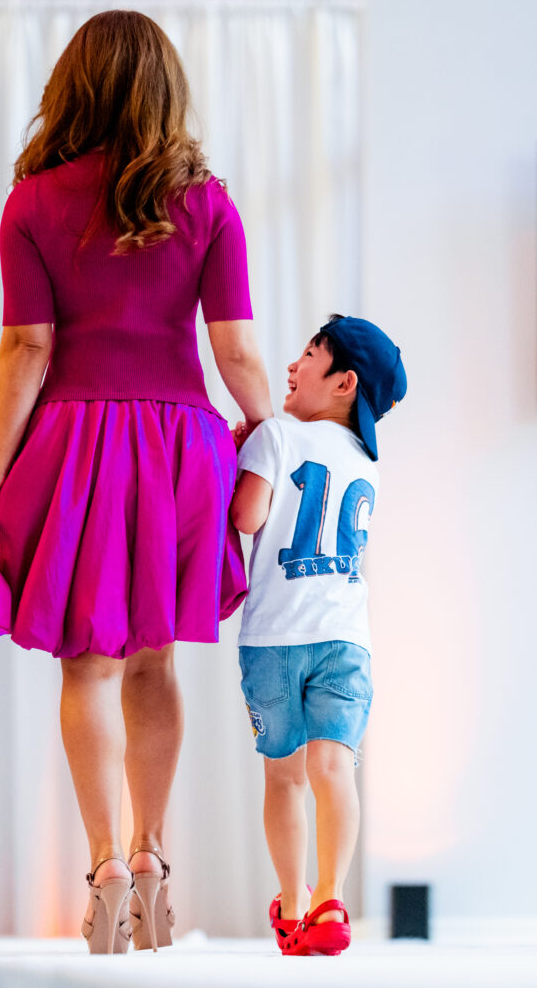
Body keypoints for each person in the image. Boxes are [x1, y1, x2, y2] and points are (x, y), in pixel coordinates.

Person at [0, 10, 272, 954]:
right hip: (176, 447)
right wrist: (269, 439)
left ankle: (106, 866)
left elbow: (28, 345)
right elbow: (235, 349)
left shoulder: (32, 202)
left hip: (76, 446)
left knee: (89, 661)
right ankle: (156, 860)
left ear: (72, 84)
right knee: (154, 655)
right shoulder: (207, 203)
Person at [230, 315, 406, 957]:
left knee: (284, 777)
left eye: (308, 355)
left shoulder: (275, 436)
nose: (291, 365)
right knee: (335, 766)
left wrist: (238, 454)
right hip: (345, 637)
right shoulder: (368, 463)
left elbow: (247, 516)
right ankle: (332, 898)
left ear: (343, 382)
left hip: (274, 637)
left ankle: (292, 902)